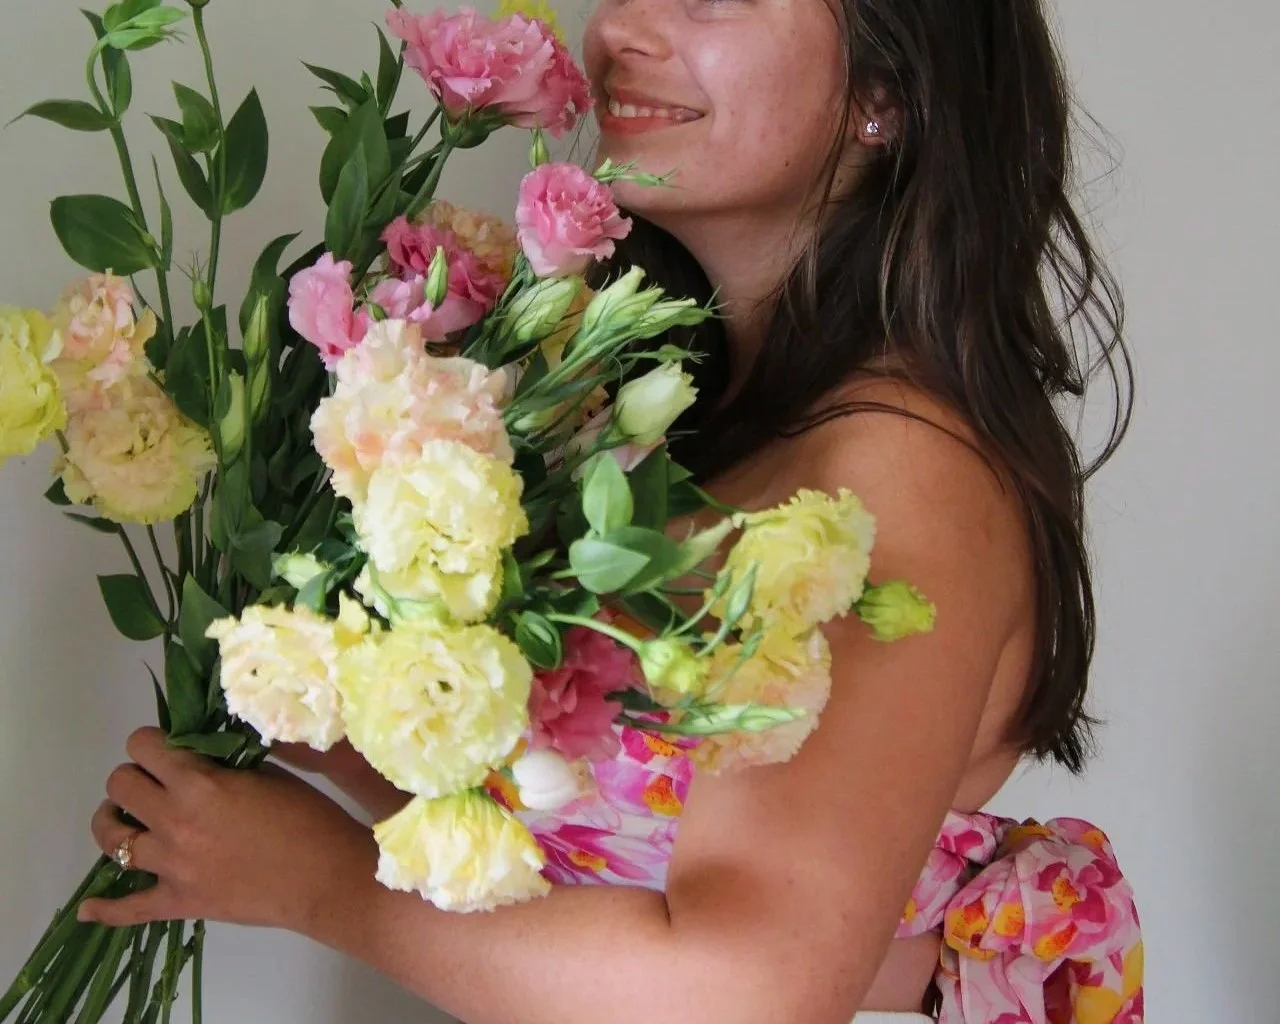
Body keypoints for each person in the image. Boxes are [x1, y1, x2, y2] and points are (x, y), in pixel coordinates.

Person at [78, 0, 1145, 1020]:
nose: (617, 28)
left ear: (886, 90)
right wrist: (330, 724)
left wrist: (317, 882)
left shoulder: (896, 470)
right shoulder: (691, 423)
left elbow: (741, 995)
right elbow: (607, 854)